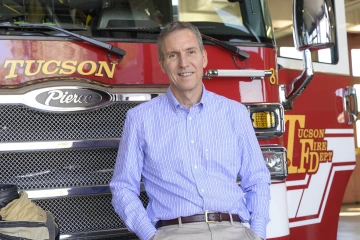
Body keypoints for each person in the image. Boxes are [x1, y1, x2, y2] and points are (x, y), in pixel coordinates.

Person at [110, 21, 271, 240]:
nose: (184, 63)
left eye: (191, 52)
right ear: (163, 63)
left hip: (235, 230)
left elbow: (258, 180)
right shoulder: (139, 119)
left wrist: (258, 234)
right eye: (173, 55)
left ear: (203, 58)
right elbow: (122, 188)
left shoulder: (235, 113)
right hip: (174, 233)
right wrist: (151, 236)